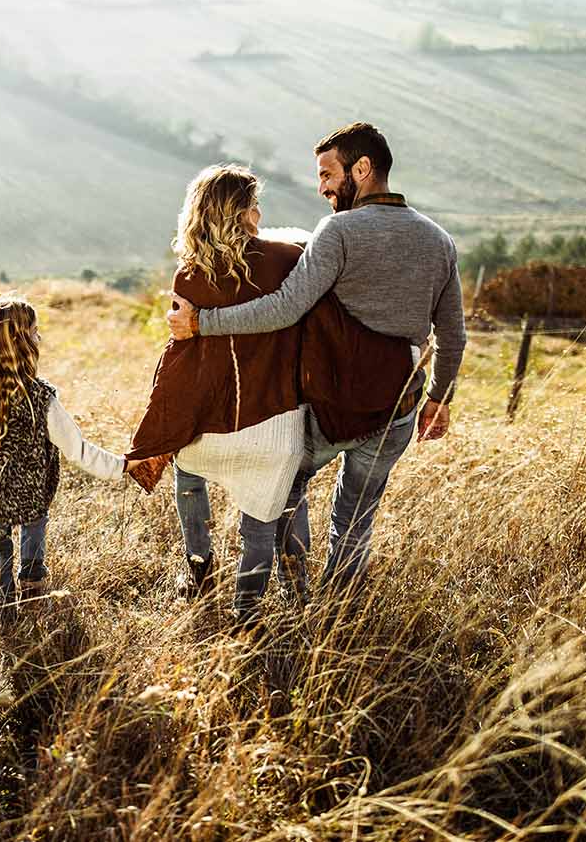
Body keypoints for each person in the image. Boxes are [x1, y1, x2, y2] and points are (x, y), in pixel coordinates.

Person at [167, 123, 467, 592]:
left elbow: (285, 307)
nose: (322, 185)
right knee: (357, 515)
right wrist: (438, 399)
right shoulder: (439, 241)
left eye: (328, 173)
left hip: (331, 406)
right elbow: (453, 334)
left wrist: (202, 323)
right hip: (399, 408)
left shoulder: (339, 231)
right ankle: (341, 605)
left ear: (362, 169)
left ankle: (295, 590)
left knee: (285, 488)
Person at [128, 166, 415, 628]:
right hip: (276, 424)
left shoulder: (189, 277)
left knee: (187, 472)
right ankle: (262, 607)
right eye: (255, 204)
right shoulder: (287, 259)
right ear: (245, 213)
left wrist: (160, 432)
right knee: (266, 515)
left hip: (217, 431)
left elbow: (182, 366)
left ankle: (199, 567)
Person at [0, 296, 134, 613]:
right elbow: (77, 450)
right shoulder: (39, 397)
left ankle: (2, 605)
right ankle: (32, 582)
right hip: (31, 489)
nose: (40, 337)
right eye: (35, 331)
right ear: (20, 343)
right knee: (35, 522)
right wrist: (122, 466)